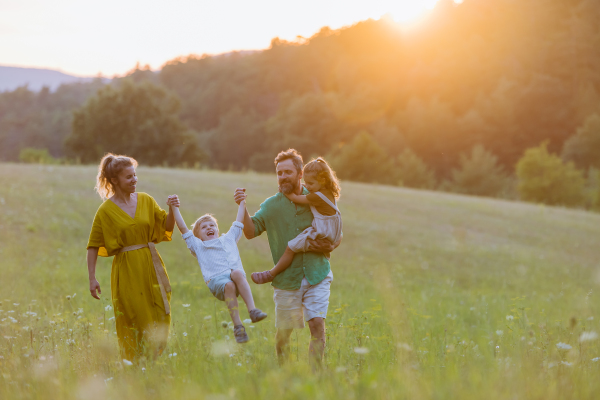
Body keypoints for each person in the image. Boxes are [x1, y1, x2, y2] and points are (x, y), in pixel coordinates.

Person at [233, 149, 341, 367]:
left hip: (317, 273)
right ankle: (284, 376)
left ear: (300, 174)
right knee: (284, 335)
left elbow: (334, 229)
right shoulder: (272, 205)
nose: (282, 176)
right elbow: (250, 231)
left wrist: (332, 244)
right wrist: (242, 206)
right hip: (286, 280)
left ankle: (316, 376)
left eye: (287, 172)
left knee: (317, 325)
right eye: (279, 172)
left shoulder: (315, 198)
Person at [86, 153, 177, 361]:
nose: (134, 180)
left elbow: (166, 226)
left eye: (135, 175)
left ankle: (154, 361)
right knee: (134, 316)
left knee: (160, 311)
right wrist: (92, 278)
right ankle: (136, 363)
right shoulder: (105, 211)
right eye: (129, 177)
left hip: (151, 264)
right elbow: (92, 246)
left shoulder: (146, 200)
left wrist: (172, 208)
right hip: (126, 269)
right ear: (115, 181)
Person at [167, 194, 267, 343]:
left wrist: (242, 202)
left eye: (212, 225)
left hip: (234, 276)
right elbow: (182, 228)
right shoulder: (199, 246)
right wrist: (174, 207)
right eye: (204, 227)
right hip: (216, 280)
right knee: (229, 285)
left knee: (238, 273)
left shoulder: (229, 238)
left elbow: (239, 221)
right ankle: (238, 327)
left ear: (217, 229)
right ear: (198, 236)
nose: (209, 228)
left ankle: (253, 311)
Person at [251, 157, 342, 284]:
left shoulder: (315, 197)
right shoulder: (327, 192)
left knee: (291, 247)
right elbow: (313, 187)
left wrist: (285, 190)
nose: (307, 187)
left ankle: (272, 274)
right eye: (306, 183)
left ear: (322, 180)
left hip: (322, 231)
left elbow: (296, 198)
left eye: (310, 184)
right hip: (334, 231)